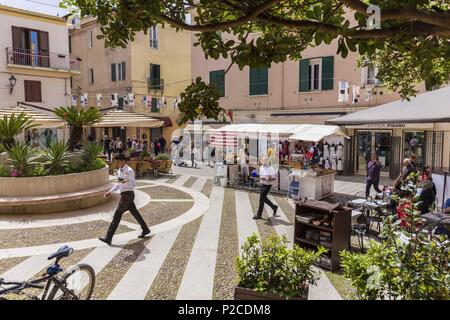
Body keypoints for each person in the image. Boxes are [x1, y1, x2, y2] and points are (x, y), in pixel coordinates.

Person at [99, 154, 151, 245]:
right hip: (126, 195)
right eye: (116, 161)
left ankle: (108, 237)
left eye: (118, 161)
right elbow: (118, 183)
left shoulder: (129, 171)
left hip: (127, 195)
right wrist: (110, 191)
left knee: (117, 216)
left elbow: (133, 184)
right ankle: (145, 229)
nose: (117, 163)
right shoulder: (120, 170)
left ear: (124, 161)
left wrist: (124, 182)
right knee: (135, 213)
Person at [253, 156, 278, 220]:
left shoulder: (271, 168)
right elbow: (261, 175)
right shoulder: (261, 167)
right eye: (263, 160)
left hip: (268, 185)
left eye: (265, 160)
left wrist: (268, 178)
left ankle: (259, 214)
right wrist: (260, 178)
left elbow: (274, 178)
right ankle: (274, 207)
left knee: (261, 199)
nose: (264, 161)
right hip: (262, 184)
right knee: (263, 198)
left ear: (268, 161)